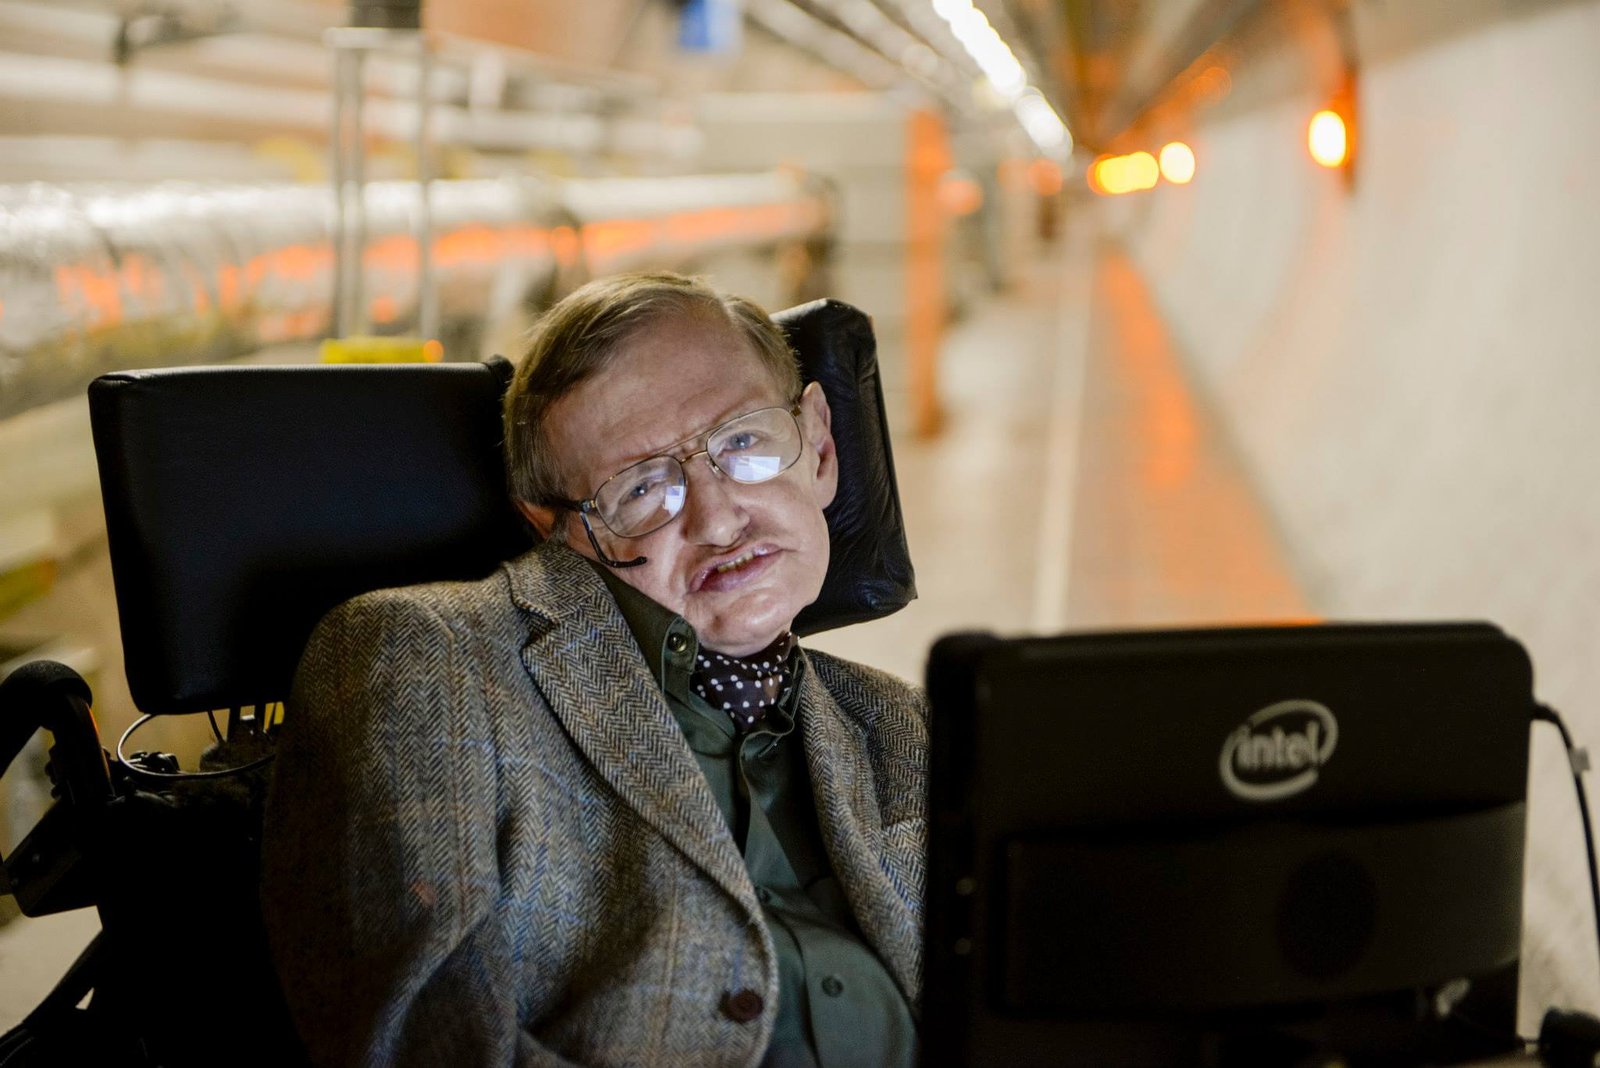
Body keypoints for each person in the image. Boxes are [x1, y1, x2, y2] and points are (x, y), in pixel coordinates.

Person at [261, 272, 927, 1067]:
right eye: (643, 487)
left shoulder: (902, 723)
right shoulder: (427, 660)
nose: (718, 520)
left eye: (744, 442)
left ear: (818, 446)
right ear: (555, 528)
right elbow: (423, 1049)